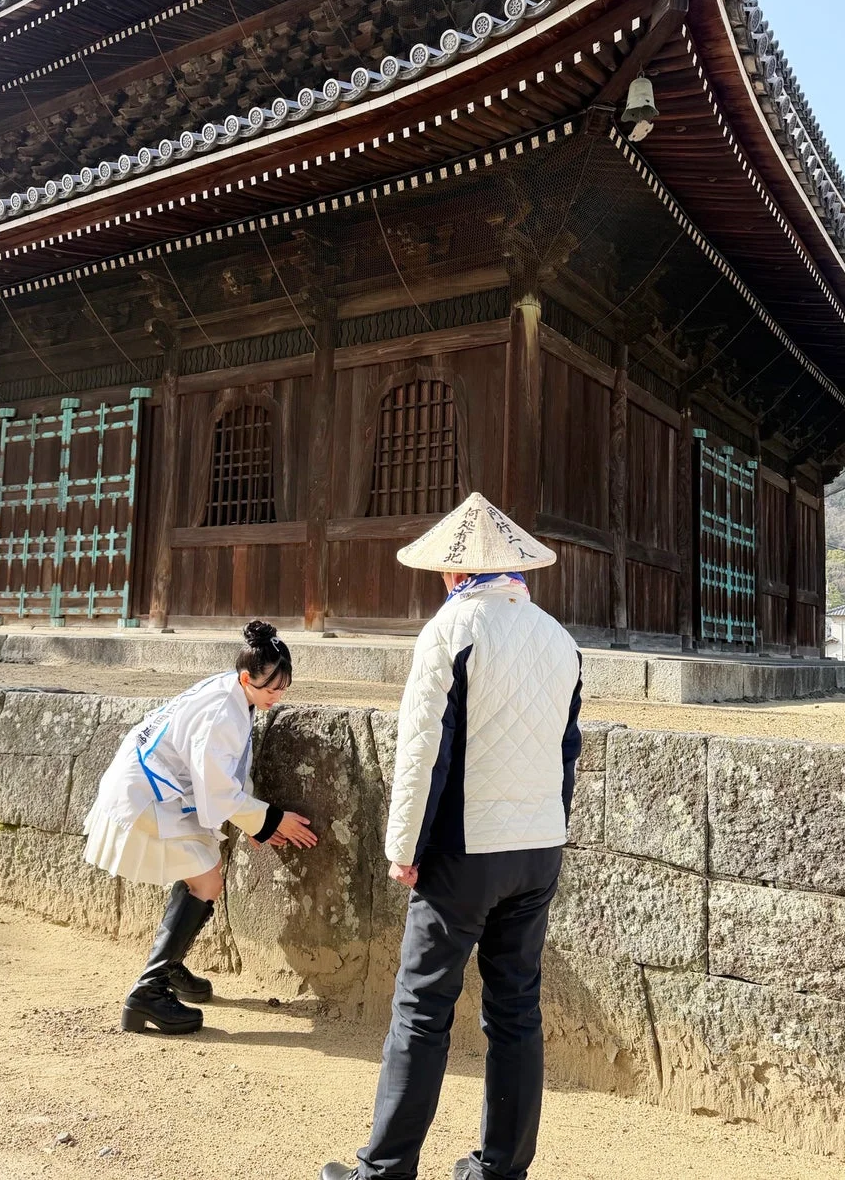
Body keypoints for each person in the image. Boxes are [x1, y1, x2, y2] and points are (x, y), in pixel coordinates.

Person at [322, 493, 582, 1180]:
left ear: (451, 572)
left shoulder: (451, 629)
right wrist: (550, 829)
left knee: (421, 1008)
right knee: (515, 1009)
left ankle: (385, 1169)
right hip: (536, 845)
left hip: (466, 847)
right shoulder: (560, 639)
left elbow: (421, 751)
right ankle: (501, 1169)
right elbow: (566, 751)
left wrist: (402, 846)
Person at [83, 620, 318, 1035]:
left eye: (284, 688)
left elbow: (226, 769)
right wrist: (270, 820)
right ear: (247, 678)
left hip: (151, 783)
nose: (277, 697)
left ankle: (168, 969)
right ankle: (147, 992)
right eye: (270, 689)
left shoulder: (232, 692)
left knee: (202, 872)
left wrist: (254, 822)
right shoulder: (222, 712)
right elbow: (218, 787)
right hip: (146, 792)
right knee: (207, 881)